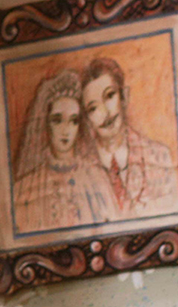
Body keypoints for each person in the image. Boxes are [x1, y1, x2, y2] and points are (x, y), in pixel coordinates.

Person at [11, 69, 116, 235]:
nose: (66, 130)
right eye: (57, 120)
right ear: (46, 123)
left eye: (73, 121)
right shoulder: (25, 188)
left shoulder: (97, 179)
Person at [79, 57, 178, 220]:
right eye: (93, 108)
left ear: (124, 96)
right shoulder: (80, 170)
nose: (105, 112)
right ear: (86, 119)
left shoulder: (160, 155)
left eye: (109, 96)